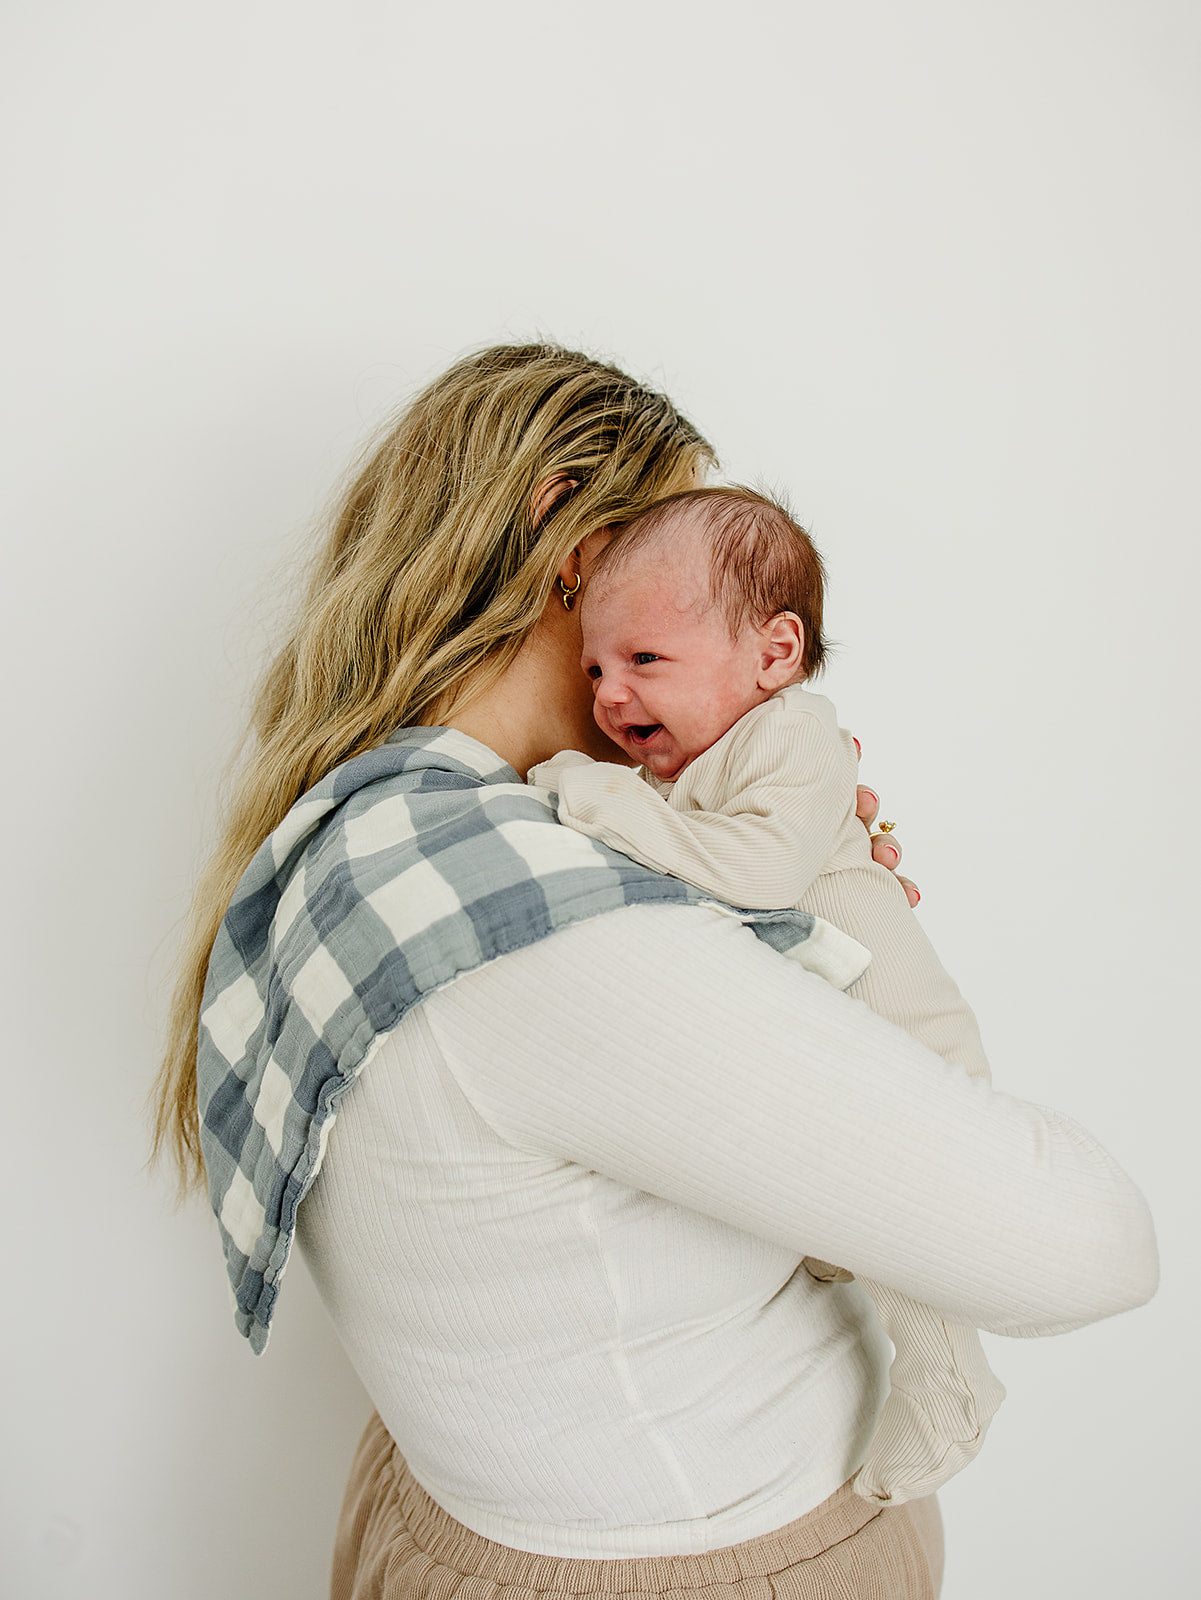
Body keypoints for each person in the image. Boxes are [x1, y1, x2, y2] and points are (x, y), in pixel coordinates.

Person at [152, 343, 1157, 1600]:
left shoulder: (371, 829)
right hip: (701, 1560)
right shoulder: (552, 928)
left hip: (442, 1516)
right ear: (574, 547)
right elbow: (1093, 1246)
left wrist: (768, 902)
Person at [527, 484, 1005, 1508]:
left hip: (901, 1040)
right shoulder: (690, 768)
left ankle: (952, 1381)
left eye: (645, 661)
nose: (611, 697)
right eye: (597, 669)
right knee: (853, 1214)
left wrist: (594, 790)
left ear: (775, 655)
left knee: (906, 1233)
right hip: (826, 1053)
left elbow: (752, 875)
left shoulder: (789, 737)